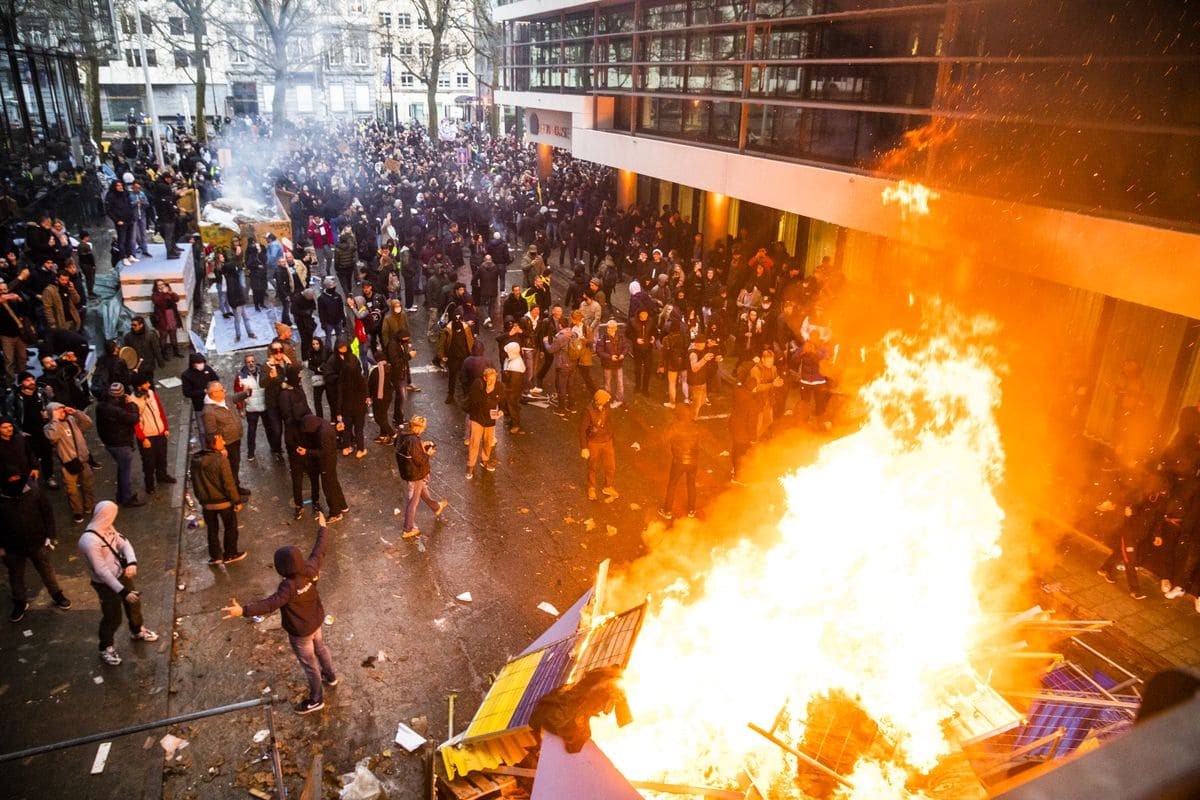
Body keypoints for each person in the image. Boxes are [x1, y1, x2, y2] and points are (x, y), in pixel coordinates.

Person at [221, 513, 338, 715]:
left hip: (300, 633)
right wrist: (323, 528)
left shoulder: (287, 588)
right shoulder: (310, 570)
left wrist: (243, 611)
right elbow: (320, 550)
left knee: (310, 665)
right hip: (316, 622)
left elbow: (269, 604)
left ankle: (317, 699)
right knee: (321, 648)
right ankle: (331, 676)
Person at [78, 501, 158, 666]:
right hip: (104, 584)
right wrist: (122, 592)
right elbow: (101, 571)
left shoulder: (108, 527)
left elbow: (124, 543)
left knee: (134, 605)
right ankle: (105, 647)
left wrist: (132, 562)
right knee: (112, 617)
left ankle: (137, 630)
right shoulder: (89, 541)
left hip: (120, 575)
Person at [1, 480, 70, 622]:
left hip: (36, 541)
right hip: (11, 547)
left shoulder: (33, 490)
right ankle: (20, 601)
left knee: (46, 569)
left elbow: (47, 512)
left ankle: (56, 594)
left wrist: (51, 535)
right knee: (16, 574)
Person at [191, 433, 247, 566]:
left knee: (212, 529)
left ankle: (215, 556)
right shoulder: (220, 460)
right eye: (220, 440)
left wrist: (201, 499)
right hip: (223, 502)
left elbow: (195, 482)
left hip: (207, 504)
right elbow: (229, 483)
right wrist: (236, 501)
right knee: (230, 527)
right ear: (213, 444)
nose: (223, 441)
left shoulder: (195, 460)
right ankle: (230, 554)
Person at [394, 416, 448, 538]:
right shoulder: (413, 440)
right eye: (423, 428)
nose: (423, 430)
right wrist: (428, 453)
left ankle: (436, 507)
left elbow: (407, 450)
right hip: (415, 473)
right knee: (413, 501)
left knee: (422, 489)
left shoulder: (403, 434)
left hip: (408, 471)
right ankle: (408, 529)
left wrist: (421, 445)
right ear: (418, 428)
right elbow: (419, 461)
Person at [43, 402, 96, 523]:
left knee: (88, 485)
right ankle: (77, 511)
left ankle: (89, 506)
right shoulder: (49, 427)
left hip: (83, 460)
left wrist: (76, 412)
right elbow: (52, 437)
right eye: (58, 410)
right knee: (72, 491)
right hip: (68, 463)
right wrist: (55, 419)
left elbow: (88, 423)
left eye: (62, 409)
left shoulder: (71, 419)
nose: (62, 412)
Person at [97, 383, 146, 507]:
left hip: (110, 442)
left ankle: (121, 494)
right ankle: (127, 498)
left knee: (122, 469)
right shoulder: (115, 410)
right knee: (125, 472)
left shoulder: (101, 406)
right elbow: (133, 418)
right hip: (121, 443)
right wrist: (132, 404)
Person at [199, 381, 251, 496]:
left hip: (235, 439)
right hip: (226, 444)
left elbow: (235, 398)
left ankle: (236, 487)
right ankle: (232, 494)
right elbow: (211, 433)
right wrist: (221, 448)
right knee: (229, 470)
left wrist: (246, 393)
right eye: (222, 390)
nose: (225, 391)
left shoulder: (225, 398)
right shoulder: (209, 411)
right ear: (214, 393)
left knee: (235, 465)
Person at [297, 414, 348, 522]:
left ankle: (335, 512)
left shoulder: (323, 433)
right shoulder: (323, 424)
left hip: (326, 462)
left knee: (328, 487)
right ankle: (343, 505)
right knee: (334, 483)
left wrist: (307, 452)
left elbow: (324, 452)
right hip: (331, 460)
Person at [131, 375, 176, 494]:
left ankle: (162, 476)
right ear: (139, 386)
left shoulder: (151, 393)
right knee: (149, 462)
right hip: (147, 436)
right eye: (146, 383)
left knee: (162, 457)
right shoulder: (133, 401)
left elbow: (160, 410)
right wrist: (142, 438)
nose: (149, 385)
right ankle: (149, 484)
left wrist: (165, 427)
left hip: (160, 432)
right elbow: (135, 423)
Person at [660, 403, 700, 519]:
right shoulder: (695, 425)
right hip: (693, 461)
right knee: (691, 484)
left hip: (679, 461)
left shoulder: (675, 426)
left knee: (672, 485)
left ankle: (667, 511)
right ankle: (691, 510)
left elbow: (664, 439)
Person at [465, 367, 502, 480]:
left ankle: (485, 460)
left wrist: (501, 411)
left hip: (490, 419)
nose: (492, 382)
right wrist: (487, 391)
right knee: (474, 442)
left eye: (494, 379)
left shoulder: (499, 386)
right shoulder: (478, 385)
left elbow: (503, 399)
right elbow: (475, 401)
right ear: (485, 378)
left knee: (488, 442)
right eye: (490, 379)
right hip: (477, 418)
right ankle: (470, 466)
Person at [580, 389, 617, 501]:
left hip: (607, 441)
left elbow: (609, 422)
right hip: (594, 442)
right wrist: (584, 447)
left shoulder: (606, 406)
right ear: (600, 401)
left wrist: (610, 436)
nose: (608, 401)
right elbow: (582, 429)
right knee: (593, 466)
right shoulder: (589, 411)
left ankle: (608, 486)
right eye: (606, 399)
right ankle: (591, 488)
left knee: (611, 466)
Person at [595, 319, 628, 408]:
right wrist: (610, 357)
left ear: (616, 328)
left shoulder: (621, 337)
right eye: (609, 327)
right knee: (607, 383)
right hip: (607, 365)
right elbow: (599, 351)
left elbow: (625, 347)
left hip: (618, 364)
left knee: (620, 383)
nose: (610, 329)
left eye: (613, 327)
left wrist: (622, 354)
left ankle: (619, 399)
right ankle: (607, 399)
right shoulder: (602, 338)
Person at [123, 316, 162, 383]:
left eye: (135, 325)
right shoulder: (128, 336)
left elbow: (156, 349)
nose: (133, 327)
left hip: (148, 365)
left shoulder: (150, 335)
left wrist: (160, 361)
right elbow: (127, 351)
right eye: (132, 325)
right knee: (138, 385)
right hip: (136, 365)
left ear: (141, 325)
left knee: (149, 384)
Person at [500, 341, 525, 433]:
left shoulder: (516, 365)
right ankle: (512, 421)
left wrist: (507, 390)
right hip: (511, 388)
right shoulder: (513, 359)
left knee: (512, 406)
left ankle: (516, 424)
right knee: (511, 406)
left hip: (512, 390)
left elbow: (514, 382)